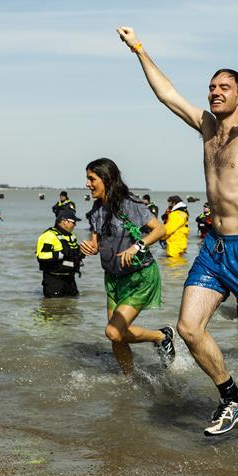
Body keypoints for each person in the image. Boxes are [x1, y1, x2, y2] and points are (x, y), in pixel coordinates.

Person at [118, 17, 238, 447]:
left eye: (224, 87)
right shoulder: (206, 127)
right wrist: (139, 49)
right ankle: (233, 398)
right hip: (215, 249)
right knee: (188, 328)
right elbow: (167, 94)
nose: (215, 92)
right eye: (211, 87)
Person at [79, 158, 176, 375]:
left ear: (106, 179)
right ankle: (128, 380)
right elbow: (96, 243)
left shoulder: (129, 204)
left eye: (91, 179)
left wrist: (137, 246)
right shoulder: (96, 209)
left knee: (113, 331)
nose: (87, 184)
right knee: (117, 337)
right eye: (87, 179)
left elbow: (160, 230)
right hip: (113, 278)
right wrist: (90, 248)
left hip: (139, 277)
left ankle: (161, 336)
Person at [37, 209, 84, 297]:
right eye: (73, 222)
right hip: (54, 280)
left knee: (73, 303)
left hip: (70, 280)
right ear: (64, 221)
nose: (75, 225)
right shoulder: (48, 236)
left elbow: (75, 252)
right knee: (55, 304)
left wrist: (82, 252)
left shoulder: (71, 236)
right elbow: (41, 256)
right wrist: (61, 254)